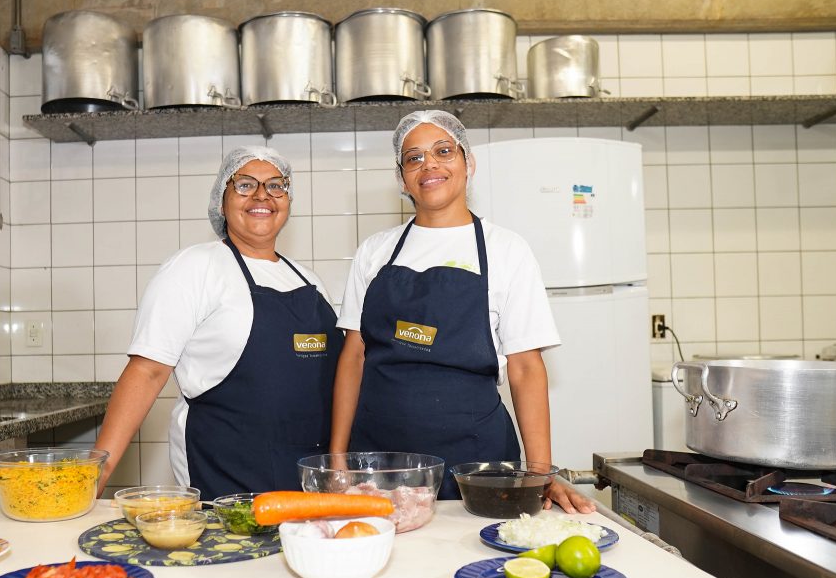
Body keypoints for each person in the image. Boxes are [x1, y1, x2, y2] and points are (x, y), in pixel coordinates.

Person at [330, 110, 594, 513]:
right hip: (380, 463)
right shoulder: (375, 251)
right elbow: (354, 356)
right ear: (402, 177)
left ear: (467, 163)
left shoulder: (506, 250)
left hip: (476, 463)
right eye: (414, 157)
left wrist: (541, 473)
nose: (429, 165)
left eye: (443, 151)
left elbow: (526, 367)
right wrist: (337, 457)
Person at [96, 146, 344, 501]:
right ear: (222, 202)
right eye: (245, 185)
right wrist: (97, 473)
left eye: (276, 185)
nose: (262, 195)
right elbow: (147, 372)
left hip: (306, 481)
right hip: (225, 475)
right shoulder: (195, 267)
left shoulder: (309, 281)